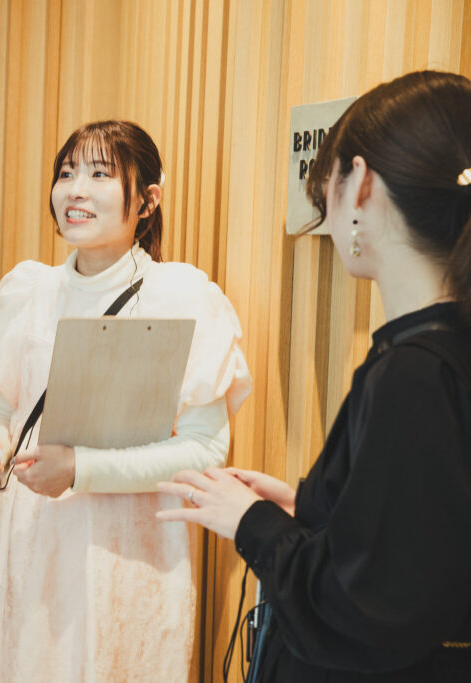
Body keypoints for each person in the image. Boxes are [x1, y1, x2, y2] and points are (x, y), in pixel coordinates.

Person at [157, 70, 471, 682]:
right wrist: (309, 506)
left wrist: (251, 522)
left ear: (363, 184)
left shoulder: (415, 373)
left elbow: (363, 612)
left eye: (331, 180)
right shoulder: (439, 353)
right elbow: (422, 541)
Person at [0, 120, 252, 682]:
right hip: (26, 548)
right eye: (67, 174)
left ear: (147, 201)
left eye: (99, 175)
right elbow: (6, 411)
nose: (76, 191)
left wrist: (80, 468)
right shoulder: (29, 291)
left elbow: (205, 449)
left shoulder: (181, 296)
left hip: (132, 557)